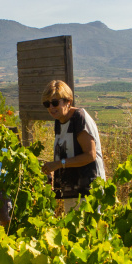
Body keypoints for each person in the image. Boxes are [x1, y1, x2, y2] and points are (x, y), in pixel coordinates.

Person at [40, 80, 105, 212]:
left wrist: (59, 164)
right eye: (47, 104)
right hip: (72, 188)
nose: (51, 107)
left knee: (88, 229)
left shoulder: (79, 119)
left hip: (88, 188)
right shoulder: (59, 121)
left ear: (68, 101)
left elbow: (90, 155)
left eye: (55, 103)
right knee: (73, 230)